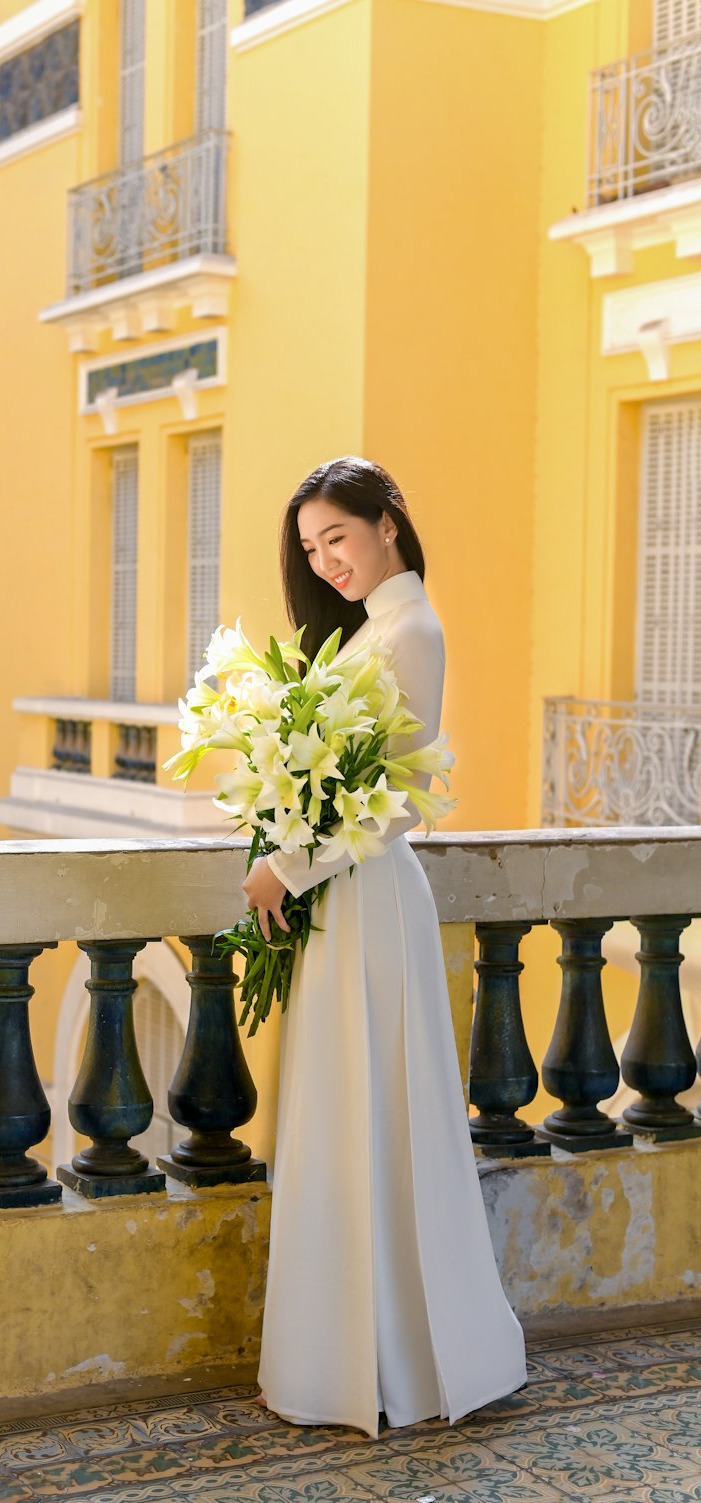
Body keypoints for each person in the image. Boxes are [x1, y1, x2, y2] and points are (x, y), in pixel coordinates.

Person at [243, 456, 527, 1439]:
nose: (325, 562)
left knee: (380, 1118)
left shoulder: (414, 629)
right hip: (343, 908)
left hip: (370, 901)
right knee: (335, 1116)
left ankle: (402, 1360)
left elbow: (402, 801)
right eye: (312, 548)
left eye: (339, 538)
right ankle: (337, 1358)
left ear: (388, 525)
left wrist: (289, 863)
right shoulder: (366, 631)